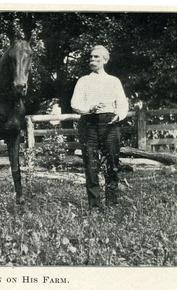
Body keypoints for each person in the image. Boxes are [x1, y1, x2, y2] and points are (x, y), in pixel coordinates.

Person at [70, 45, 129, 210]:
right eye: (91, 57)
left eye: (97, 57)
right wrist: (90, 108)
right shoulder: (83, 81)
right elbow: (75, 104)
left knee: (112, 163)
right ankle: (94, 205)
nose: (93, 60)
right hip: (89, 124)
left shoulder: (113, 81)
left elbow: (123, 103)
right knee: (91, 164)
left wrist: (119, 114)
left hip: (110, 124)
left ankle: (112, 202)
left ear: (105, 60)